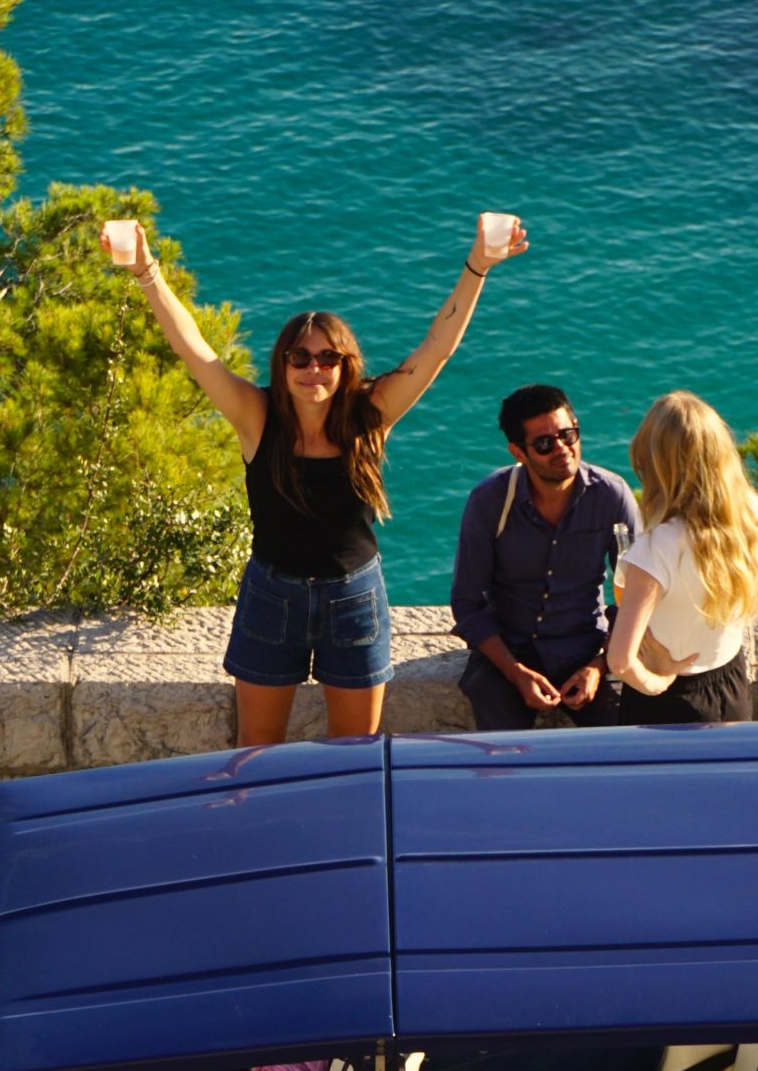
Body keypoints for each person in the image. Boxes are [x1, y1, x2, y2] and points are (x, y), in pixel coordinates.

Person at [103, 213, 527, 744]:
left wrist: (478, 267)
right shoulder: (256, 418)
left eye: (328, 357)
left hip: (354, 599)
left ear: (345, 364)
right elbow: (195, 350)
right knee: (256, 755)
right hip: (271, 595)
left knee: (354, 759)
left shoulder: (370, 417)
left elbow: (436, 349)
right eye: (300, 357)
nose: (314, 368)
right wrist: (147, 271)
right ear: (282, 363)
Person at [449, 385, 642, 731]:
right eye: (544, 443)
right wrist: (514, 671)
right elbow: (467, 603)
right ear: (518, 452)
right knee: (504, 753)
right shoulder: (490, 501)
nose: (562, 449)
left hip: (587, 645)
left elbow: (639, 596)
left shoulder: (612, 496)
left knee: (623, 744)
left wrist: (599, 665)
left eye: (568, 435)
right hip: (510, 648)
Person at [603, 390, 758, 726]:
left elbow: (620, 661)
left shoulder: (656, 548)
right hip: (730, 680)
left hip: (668, 703)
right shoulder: (748, 515)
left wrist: (658, 681)